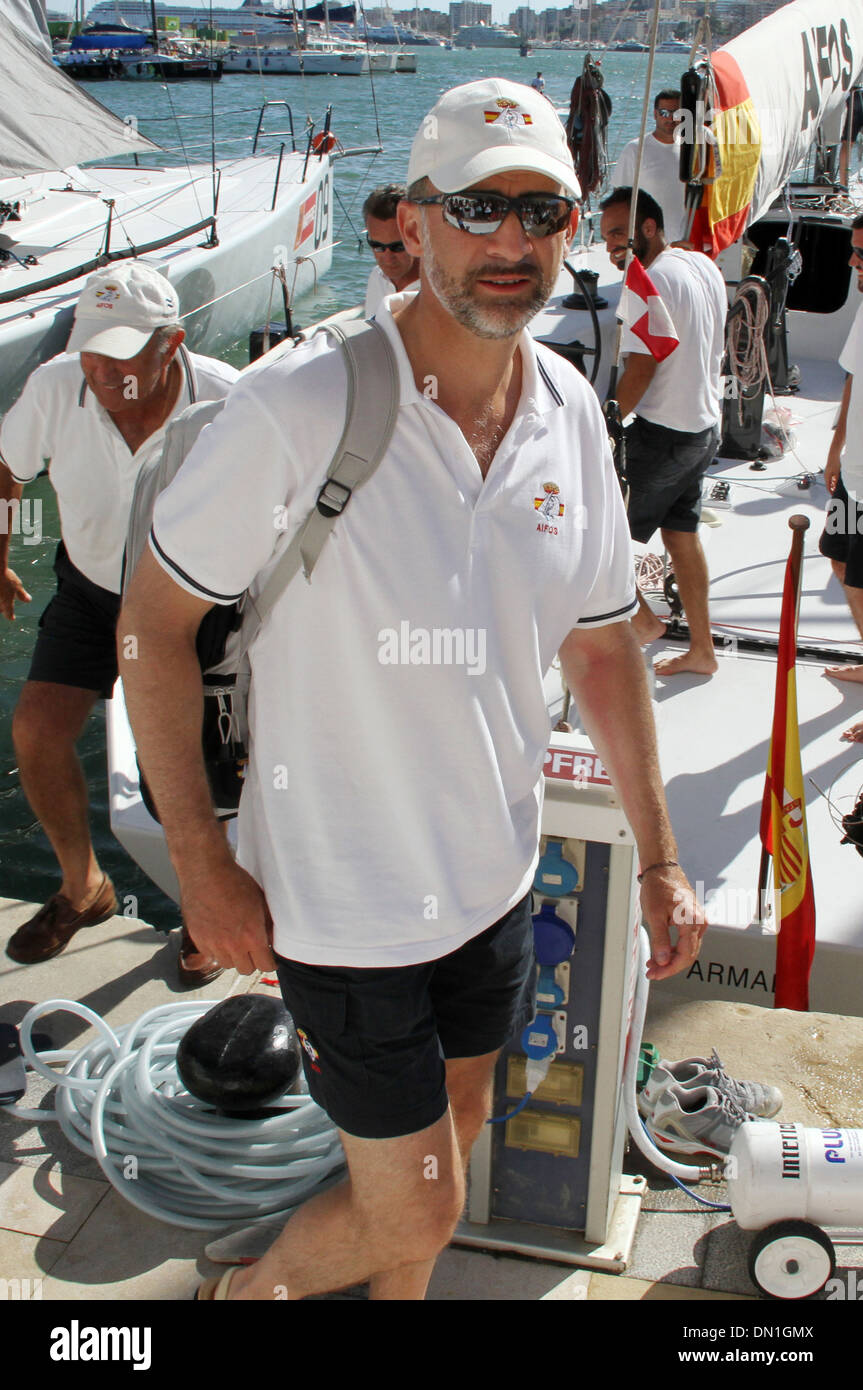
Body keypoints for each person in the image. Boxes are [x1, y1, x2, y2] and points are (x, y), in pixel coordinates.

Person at [121, 78, 705, 1302]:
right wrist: (202, 861)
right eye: (479, 207)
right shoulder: (301, 403)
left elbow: (598, 647)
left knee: (457, 1139)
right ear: (418, 220)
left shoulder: (567, 418)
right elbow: (150, 626)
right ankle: (246, 1297)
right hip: (342, 911)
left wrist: (655, 857)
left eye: (542, 213)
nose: (510, 242)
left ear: (571, 228)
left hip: (495, 879)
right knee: (423, 1200)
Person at [0, 262, 238, 982]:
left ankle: (204, 911)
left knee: (190, 773)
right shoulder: (55, 385)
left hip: (192, 605)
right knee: (36, 732)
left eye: (125, 350)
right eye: (93, 346)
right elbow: (7, 468)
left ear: (173, 343)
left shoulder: (233, 400)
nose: (102, 368)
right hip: (93, 588)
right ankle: (84, 887)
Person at [599, 186, 727, 678]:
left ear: (647, 228)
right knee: (680, 537)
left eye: (618, 234)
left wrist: (600, 422)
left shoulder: (644, 284)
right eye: (606, 234)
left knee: (594, 535)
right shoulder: (700, 266)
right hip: (702, 429)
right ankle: (702, 649)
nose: (611, 245)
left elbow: (641, 369)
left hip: (663, 435)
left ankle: (646, 622)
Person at [821, 215, 863, 705]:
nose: (851, 260)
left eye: (861, 254)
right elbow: (854, 378)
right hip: (854, 477)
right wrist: (836, 448)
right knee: (838, 559)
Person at [611, 89, 687, 244]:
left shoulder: (692, 151)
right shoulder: (634, 150)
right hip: (648, 245)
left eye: (677, 113)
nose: (671, 118)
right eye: (664, 113)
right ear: (655, 114)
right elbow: (619, 200)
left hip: (684, 244)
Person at [362, 184, 420, 317]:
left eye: (398, 247)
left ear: (417, 236)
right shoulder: (377, 277)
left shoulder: (440, 293)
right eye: (377, 246)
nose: (388, 258)